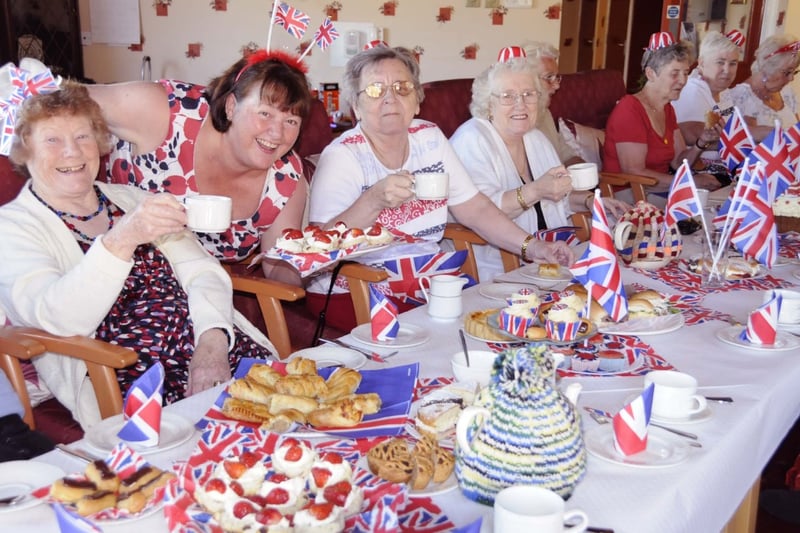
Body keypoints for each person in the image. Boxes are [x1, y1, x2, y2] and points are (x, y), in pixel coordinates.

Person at [0, 82, 274, 429]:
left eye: (83, 137)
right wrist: (123, 238)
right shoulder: (11, 227)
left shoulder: (129, 198)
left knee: (296, 419)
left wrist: (213, 340)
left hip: (214, 351)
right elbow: (54, 317)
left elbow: (201, 270)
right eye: (52, 140)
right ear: (26, 152)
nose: (72, 152)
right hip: (133, 378)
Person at [307, 46, 574, 329]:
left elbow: (476, 208)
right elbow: (317, 254)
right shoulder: (342, 156)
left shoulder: (430, 138)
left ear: (417, 101)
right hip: (354, 290)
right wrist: (372, 201)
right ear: (356, 107)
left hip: (424, 282)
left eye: (402, 87)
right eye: (375, 89)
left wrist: (534, 249)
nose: (390, 98)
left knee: (503, 322)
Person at [87, 50, 314, 286]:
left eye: (291, 121)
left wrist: (314, 263)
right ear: (230, 106)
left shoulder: (286, 181)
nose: (277, 133)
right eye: (265, 113)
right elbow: (64, 96)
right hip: (105, 271)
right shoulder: (169, 111)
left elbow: (279, 268)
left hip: (197, 297)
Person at [450, 47, 628, 281]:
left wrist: (590, 201)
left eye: (529, 94)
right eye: (507, 96)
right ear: (488, 103)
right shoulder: (471, 140)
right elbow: (483, 212)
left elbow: (556, 198)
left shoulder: (535, 138)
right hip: (498, 264)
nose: (520, 104)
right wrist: (535, 190)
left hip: (550, 255)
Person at [602, 32, 722, 206]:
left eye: (686, 73)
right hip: (631, 194)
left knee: (719, 206)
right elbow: (634, 172)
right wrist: (689, 182)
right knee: (702, 210)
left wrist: (702, 142)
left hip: (663, 189)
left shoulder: (667, 109)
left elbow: (678, 161)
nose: (682, 81)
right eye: (674, 74)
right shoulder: (629, 110)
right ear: (651, 74)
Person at [672, 30, 744, 183]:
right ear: (702, 62)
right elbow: (691, 135)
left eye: (733, 63)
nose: (727, 70)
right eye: (720, 62)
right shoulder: (692, 89)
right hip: (700, 170)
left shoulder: (723, 92)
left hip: (726, 168)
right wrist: (747, 139)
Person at [725, 34, 800, 141]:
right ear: (768, 68)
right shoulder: (741, 97)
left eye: (794, 72)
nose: (791, 78)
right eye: (787, 72)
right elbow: (745, 145)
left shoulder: (787, 92)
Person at [523, 41, 584, 167]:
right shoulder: (513, 123)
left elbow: (567, 155)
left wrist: (583, 170)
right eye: (548, 77)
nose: (557, 85)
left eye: (556, 77)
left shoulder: (545, 113)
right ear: (525, 79)